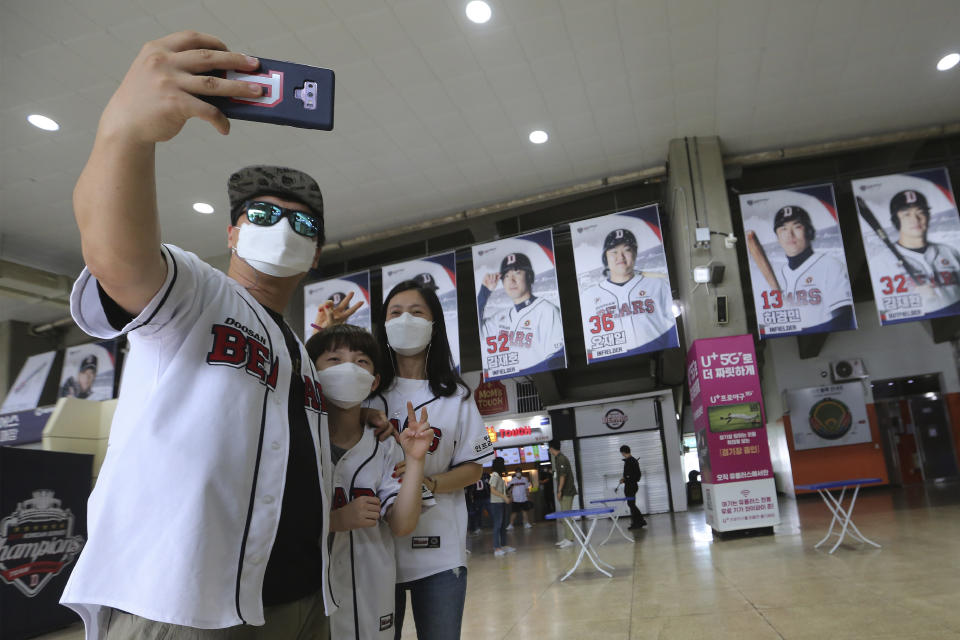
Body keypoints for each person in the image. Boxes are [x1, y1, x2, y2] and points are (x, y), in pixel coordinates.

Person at [57, 31, 390, 639]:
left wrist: (369, 419)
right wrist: (124, 134)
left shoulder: (299, 354)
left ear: (314, 252)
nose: (280, 228)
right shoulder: (197, 294)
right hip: (181, 604)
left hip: (298, 599)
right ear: (233, 234)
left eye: (300, 223)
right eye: (261, 216)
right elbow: (117, 257)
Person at [370, 279, 494, 640]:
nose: (404, 319)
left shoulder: (457, 395)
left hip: (441, 550)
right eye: (395, 313)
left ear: (434, 324)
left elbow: (475, 467)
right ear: (383, 325)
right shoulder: (367, 392)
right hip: (376, 548)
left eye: (416, 311)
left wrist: (426, 481)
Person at [306, 324, 433, 639]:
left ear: (374, 380)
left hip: (371, 592)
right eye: (334, 360)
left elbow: (402, 525)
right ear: (312, 371)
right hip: (307, 597)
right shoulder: (295, 438)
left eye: (361, 362)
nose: (348, 369)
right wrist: (334, 520)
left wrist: (416, 460)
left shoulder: (384, 442)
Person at [581, 228, 675, 356]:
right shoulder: (588, 296)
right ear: (606, 258)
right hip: (613, 359)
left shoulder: (658, 285)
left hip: (658, 352)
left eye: (627, 250)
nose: (620, 257)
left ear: (635, 254)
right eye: (614, 252)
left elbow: (673, 325)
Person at [765, 206, 854, 333]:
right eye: (783, 229)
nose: (790, 235)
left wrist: (800, 329)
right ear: (778, 237)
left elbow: (844, 320)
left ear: (809, 232)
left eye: (797, 227)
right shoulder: (778, 274)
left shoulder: (830, 265)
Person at [478, 252, 565, 376]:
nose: (511, 280)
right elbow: (474, 327)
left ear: (529, 277)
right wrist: (484, 292)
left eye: (517, 273)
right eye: (506, 276)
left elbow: (556, 360)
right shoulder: (500, 318)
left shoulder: (547, 310)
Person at [877, 189, 960, 315]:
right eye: (906, 214)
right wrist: (913, 300)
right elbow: (883, 311)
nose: (915, 219)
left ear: (928, 216)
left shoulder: (950, 252)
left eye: (921, 212)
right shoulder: (881, 262)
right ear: (896, 221)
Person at [547, 440, 577, 548]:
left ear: (551, 448)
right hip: (564, 491)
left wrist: (559, 491)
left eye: (549, 448)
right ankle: (566, 538)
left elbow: (563, 476)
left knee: (567, 516)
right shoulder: (558, 458)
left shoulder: (561, 458)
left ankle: (570, 539)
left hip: (567, 492)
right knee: (564, 516)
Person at [487, 458, 513, 557]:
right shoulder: (494, 475)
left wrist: (508, 493)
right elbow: (492, 490)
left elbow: (501, 490)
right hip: (496, 503)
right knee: (497, 526)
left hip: (500, 503)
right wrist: (504, 497)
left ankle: (503, 545)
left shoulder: (499, 476)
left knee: (502, 526)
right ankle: (497, 548)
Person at [619, 445, 647, 529]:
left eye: (622, 453)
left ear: (623, 452)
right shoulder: (629, 461)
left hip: (631, 486)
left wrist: (625, 480)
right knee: (631, 504)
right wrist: (625, 478)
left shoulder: (631, 461)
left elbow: (636, 476)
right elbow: (630, 475)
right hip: (630, 486)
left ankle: (640, 522)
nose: (622, 454)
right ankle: (637, 522)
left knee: (631, 504)